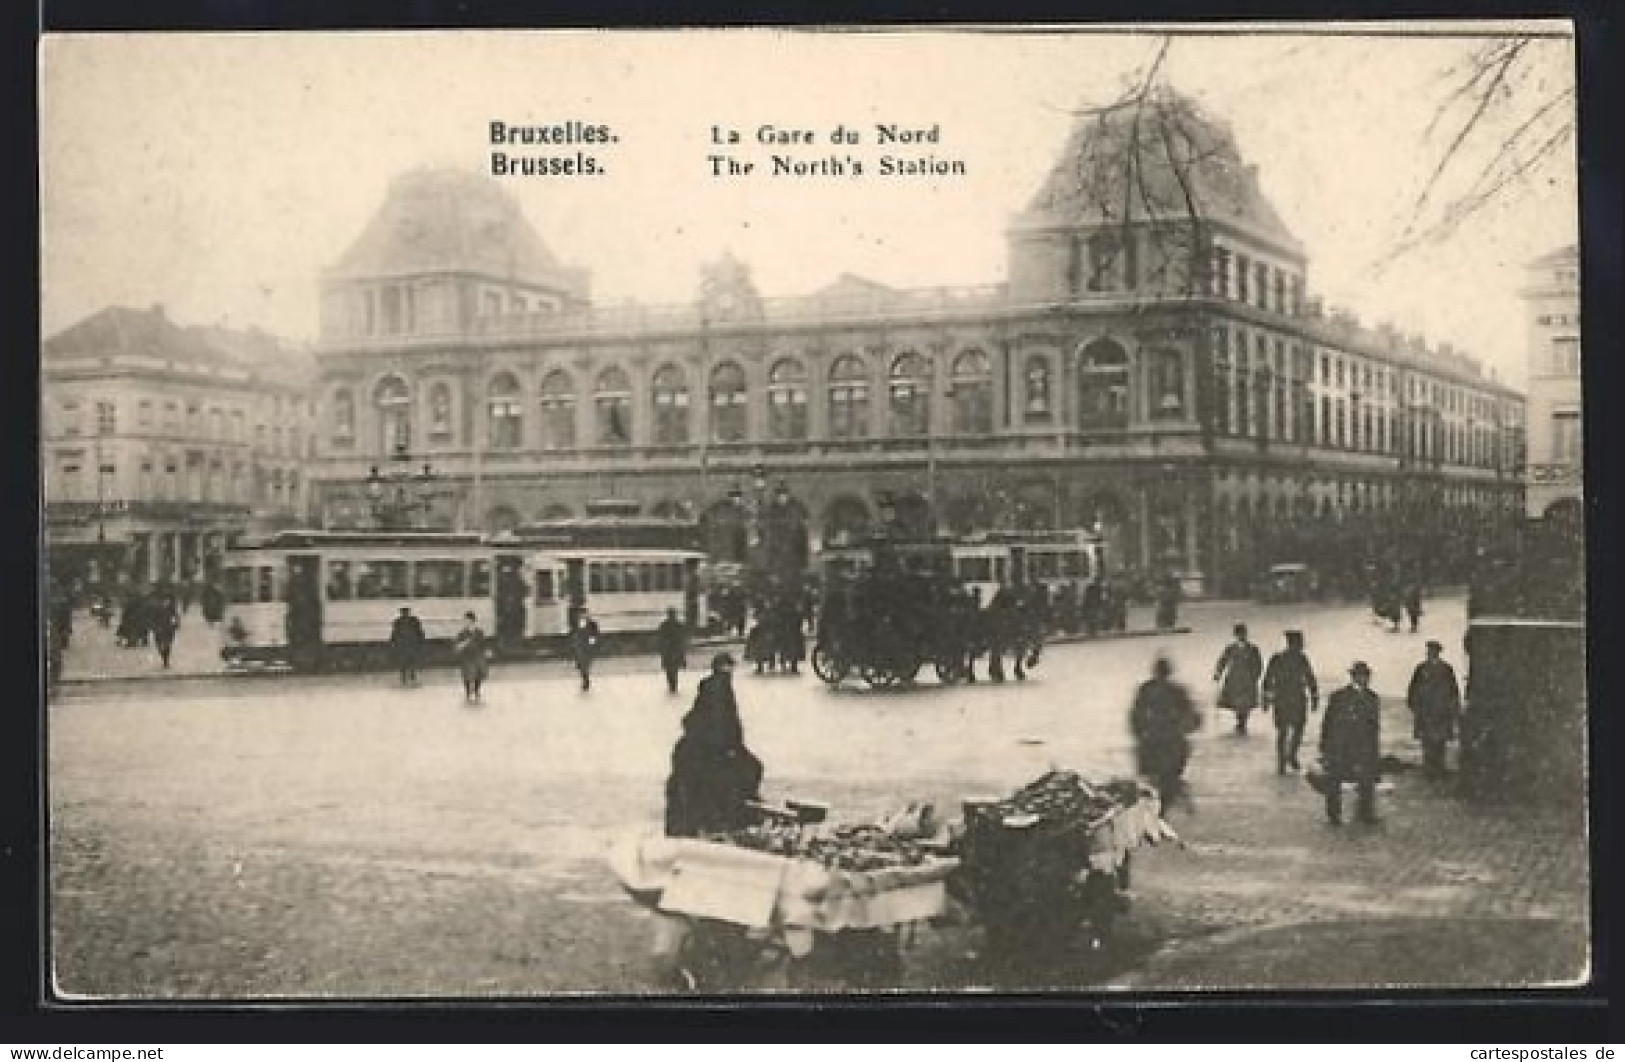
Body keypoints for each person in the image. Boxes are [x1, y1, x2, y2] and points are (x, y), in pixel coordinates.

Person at [665, 653, 764, 838]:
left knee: (748, 768)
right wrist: (731, 748)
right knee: (748, 769)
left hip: (711, 746)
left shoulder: (711, 688)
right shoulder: (720, 689)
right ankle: (734, 812)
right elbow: (725, 724)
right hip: (714, 749)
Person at [1130, 654, 1202, 813]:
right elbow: (1192, 714)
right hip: (1167, 738)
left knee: (1156, 775)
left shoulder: (1147, 689)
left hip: (1154, 738)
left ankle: (1165, 802)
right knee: (1166, 774)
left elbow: (1136, 713)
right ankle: (1170, 797)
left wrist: (1139, 732)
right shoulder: (1175, 690)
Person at [1320, 661, 1382, 826]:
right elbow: (1328, 722)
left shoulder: (1372, 698)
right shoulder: (1339, 697)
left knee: (1366, 779)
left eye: (1366, 676)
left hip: (1364, 745)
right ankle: (1333, 814)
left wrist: (1375, 749)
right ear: (1353, 677)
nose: (1364, 679)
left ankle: (1366, 813)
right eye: (1360, 676)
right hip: (1341, 745)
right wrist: (1325, 746)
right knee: (1335, 779)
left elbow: (1374, 727)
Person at [1262, 630, 1320, 774]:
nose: (1300, 646)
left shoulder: (1284, 658)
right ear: (1293, 643)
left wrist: (1266, 699)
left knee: (1289, 730)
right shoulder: (1297, 658)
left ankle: (1287, 758)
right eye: (1299, 643)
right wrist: (1314, 697)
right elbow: (1310, 678)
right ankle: (1287, 758)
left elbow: (1267, 680)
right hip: (1291, 698)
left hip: (1287, 698)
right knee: (1291, 730)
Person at [1407, 640, 1462, 779]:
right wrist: (1415, 705)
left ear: (1438, 652)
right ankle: (1429, 768)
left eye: (1433, 651)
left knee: (1440, 741)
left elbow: (1453, 689)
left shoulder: (1446, 669)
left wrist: (1453, 708)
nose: (1430, 653)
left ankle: (1439, 767)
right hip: (1426, 711)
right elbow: (1413, 688)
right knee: (1427, 742)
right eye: (1429, 651)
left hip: (1441, 712)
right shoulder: (1421, 668)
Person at [1213, 623, 1264, 736]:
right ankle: (1239, 721)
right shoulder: (1230, 648)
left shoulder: (1253, 649)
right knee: (1236, 702)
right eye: (1239, 634)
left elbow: (1258, 664)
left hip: (1247, 679)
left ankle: (1242, 722)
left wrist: (1255, 676)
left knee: (1245, 703)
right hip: (1234, 679)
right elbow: (1222, 661)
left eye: (1243, 633)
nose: (1241, 636)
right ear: (1235, 635)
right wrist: (1218, 673)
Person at [453, 611, 490, 702]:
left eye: (467, 620)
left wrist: (487, 651)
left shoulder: (479, 632)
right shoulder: (462, 633)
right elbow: (457, 646)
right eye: (465, 620)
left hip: (478, 655)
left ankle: (477, 690)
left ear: (472, 621)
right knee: (467, 674)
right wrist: (464, 644)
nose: (465, 622)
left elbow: (483, 643)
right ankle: (468, 691)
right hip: (467, 656)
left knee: (479, 673)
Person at [389, 606, 426, 687]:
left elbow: (419, 631)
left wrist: (421, 640)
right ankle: (404, 677)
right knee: (404, 662)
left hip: (411, 643)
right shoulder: (398, 621)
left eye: (406, 612)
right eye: (403, 612)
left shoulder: (414, 620)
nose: (405, 614)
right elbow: (394, 633)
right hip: (403, 644)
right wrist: (393, 642)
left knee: (411, 660)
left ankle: (412, 676)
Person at [656, 607, 687, 695]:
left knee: (670, 670)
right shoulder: (679, 625)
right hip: (675, 651)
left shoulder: (664, 626)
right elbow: (682, 641)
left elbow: (661, 639)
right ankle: (673, 686)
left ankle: (672, 686)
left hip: (669, 651)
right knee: (673, 670)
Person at [571, 609, 601, 692]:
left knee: (585, 664)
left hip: (588, 646)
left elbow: (595, 634)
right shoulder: (578, 623)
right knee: (581, 665)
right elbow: (576, 634)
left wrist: (593, 642)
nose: (584, 616)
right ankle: (585, 679)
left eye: (585, 614)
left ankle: (586, 680)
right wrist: (575, 644)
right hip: (580, 646)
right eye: (582, 614)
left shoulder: (592, 624)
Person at [149, 590, 179, 669]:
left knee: (167, 645)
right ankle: (163, 656)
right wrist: (154, 627)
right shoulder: (156, 608)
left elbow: (176, 617)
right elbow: (152, 619)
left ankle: (166, 661)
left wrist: (176, 624)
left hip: (168, 629)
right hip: (159, 629)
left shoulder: (171, 608)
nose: (166, 601)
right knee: (159, 645)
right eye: (165, 600)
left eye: (167, 600)